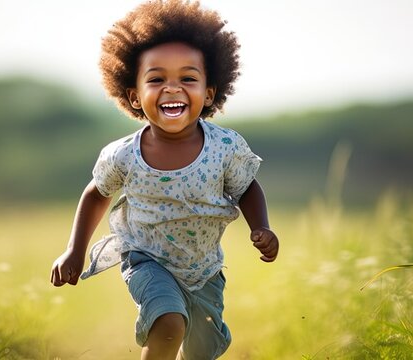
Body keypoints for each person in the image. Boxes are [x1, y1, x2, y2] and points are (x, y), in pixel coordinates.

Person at [49, 1, 280, 359]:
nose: (172, 88)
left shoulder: (225, 147)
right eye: (156, 79)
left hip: (204, 269)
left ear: (208, 94)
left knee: (201, 352)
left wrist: (261, 227)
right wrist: (75, 250)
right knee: (168, 324)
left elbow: (246, 186)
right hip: (146, 259)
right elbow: (96, 195)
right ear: (134, 96)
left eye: (187, 78)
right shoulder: (123, 155)